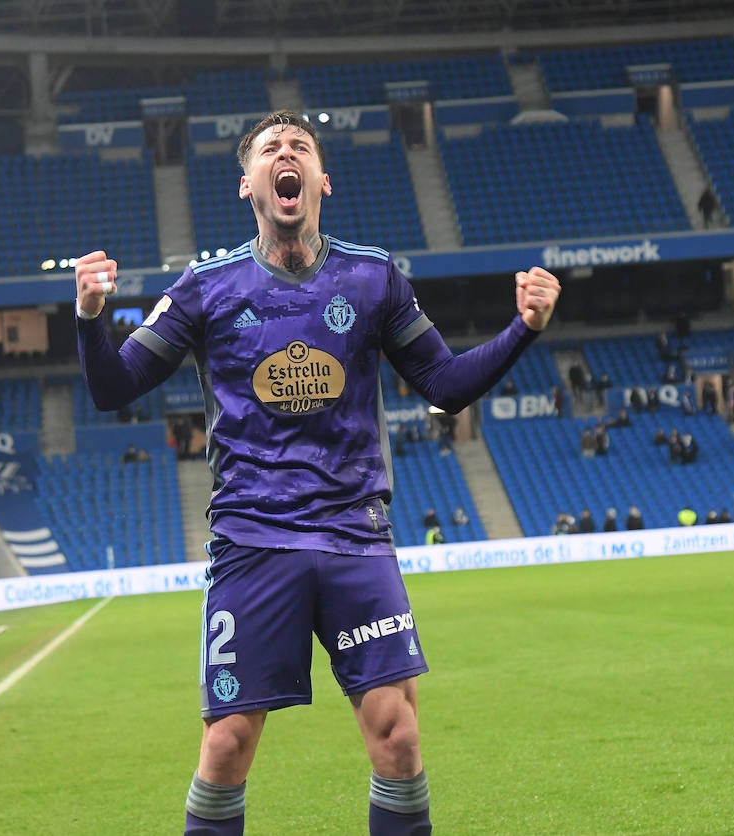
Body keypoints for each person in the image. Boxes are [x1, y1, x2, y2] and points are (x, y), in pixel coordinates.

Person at [75, 109, 561, 836]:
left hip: (353, 536)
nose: (286, 155)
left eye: (299, 146)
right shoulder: (207, 287)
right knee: (227, 744)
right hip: (253, 541)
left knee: (397, 736)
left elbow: (446, 384)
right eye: (270, 149)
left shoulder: (372, 277)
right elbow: (115, 388)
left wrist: (524, 329)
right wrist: (88, 319)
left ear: (320, 180)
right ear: (249, 186)